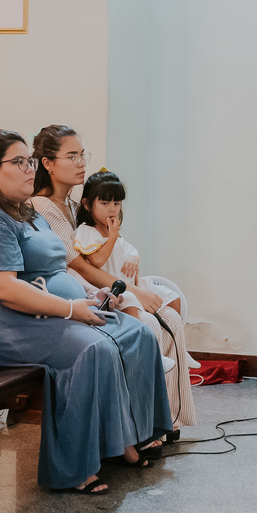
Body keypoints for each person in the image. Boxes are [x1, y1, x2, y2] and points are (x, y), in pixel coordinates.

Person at [0, 130, 171, 494]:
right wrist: (70, 309)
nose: (27, 169)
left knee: (137, 335)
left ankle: (124, 441)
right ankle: (73, 469)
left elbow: (59, 268)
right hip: (7, 324)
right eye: (17, 162)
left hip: (50, 313)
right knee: (91, 349)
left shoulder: (27, 212)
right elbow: (1, 288)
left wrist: (91, 292)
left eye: (29, 161)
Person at [29, 125, 196, 433]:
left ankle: (166, 418)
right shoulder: (43, 207)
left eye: (82, 155)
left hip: (101, 285)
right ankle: (137, 428)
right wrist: (134, 292)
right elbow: (80, 266)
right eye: (71, 156)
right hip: (83, 293)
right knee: (146, 325)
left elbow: (106, 249)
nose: (81, 162)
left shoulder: (71, 204)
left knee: (171, 319)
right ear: (48, 163)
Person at [73, 170, 198, 430]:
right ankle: (145, 345)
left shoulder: (115, 231)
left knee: (171, 303)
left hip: (130, 284)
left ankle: (174, 402)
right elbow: (95, 261)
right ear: (87, 204)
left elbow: (129, 253)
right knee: (136, 306)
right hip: (113, 290)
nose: (112, 209)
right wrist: (113, 235)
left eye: (116, 203)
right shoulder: (87, 232)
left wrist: (135, 256)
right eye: (104, 203)